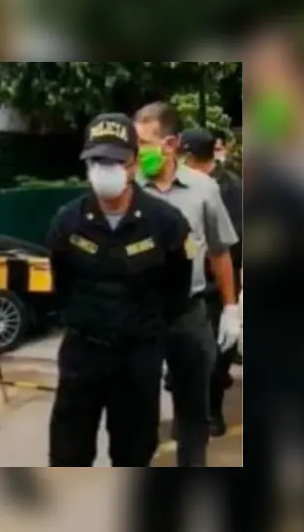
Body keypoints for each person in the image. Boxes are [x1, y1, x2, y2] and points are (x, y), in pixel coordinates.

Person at [45, 113, 192, 467]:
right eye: (96, 161)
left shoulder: (166, 222)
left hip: (137, 358)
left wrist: (146, 330)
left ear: (133, 163)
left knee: (134, 452)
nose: (104, 169)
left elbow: (177, 290)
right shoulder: (68, 221)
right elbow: (59, 283)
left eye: (114, 160)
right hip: (83, 354)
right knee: (69, 452)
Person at [134, 102, 241, 467]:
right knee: (136, 411)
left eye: (145, 143)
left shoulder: (204, 189)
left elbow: (220, 251)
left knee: (193, 415)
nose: (138, 153)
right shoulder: (128, 188)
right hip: (140, 315)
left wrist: (230, 307)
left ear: (170, 143)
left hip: (189, 312)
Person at [181, 128, 244, 436]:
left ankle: (211, 412)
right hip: (186, 283)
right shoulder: (181, 185)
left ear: (191, 156)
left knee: (218, 352)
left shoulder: (228, 188)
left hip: (216, 282)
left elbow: (231, 243)